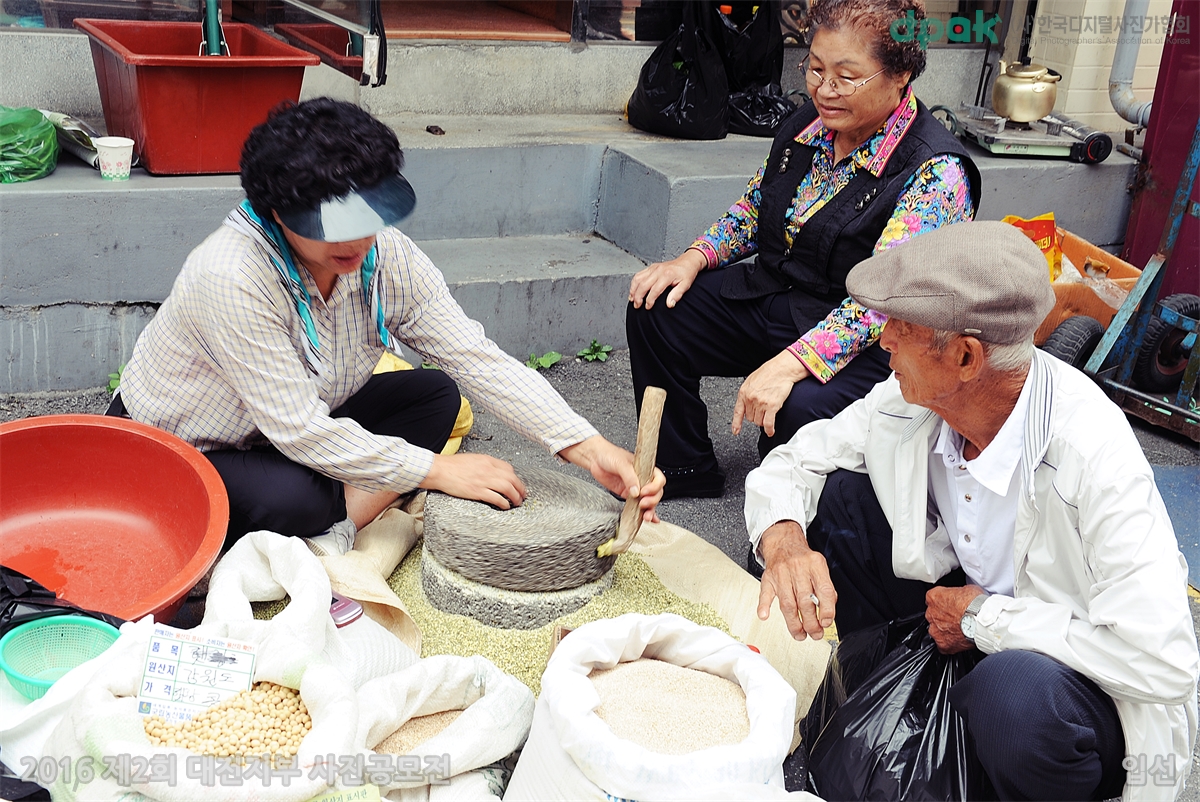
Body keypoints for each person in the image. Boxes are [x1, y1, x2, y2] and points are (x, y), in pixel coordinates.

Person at [747, 221, 1199, 800]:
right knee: (843, 501)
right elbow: (796, 461)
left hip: (1072, 689)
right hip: (960, 615)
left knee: (1012, 696)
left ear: (966, 356)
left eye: (902, 326)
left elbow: (1162, 662)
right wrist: (784, 541)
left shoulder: (1093, 454)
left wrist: (984, 619)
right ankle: (882, 731)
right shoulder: (914, 399)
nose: (884, 340)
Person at [111, 98, 664, 554]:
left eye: (366, 215)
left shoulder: (385, 256)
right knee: (300, 500)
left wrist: (590, 449)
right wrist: (436, 471)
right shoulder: (231, 274)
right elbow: (299, 430)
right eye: (330, 223)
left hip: (289, 425)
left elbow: (475, 357)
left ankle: (336, 521)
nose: (356, 240)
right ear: (276, 211)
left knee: (435, 396)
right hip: (183, 447)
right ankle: (324, 521)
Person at [627, 0, 981, 499]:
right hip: (781, 296)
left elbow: (882, 302)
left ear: (900, 75)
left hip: (870, 340)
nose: (825, 89)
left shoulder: (935, 171)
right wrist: (693, 258)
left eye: (846, 77)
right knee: (658, 308)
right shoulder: (806, 125)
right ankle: (682, 467)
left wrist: (790, 364)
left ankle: (790, 507)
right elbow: (757, 206)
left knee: (796, 407)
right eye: (815, 69)